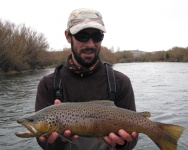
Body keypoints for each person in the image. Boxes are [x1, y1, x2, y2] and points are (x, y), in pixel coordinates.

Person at [35, 8, 138, 150]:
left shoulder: (120, 82)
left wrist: (122, 143)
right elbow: (43, 142)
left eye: (97, 36)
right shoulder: (48, 84)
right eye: (82, 35)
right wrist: (60, 140)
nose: (90, 44)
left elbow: (133, 138)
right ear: (68, 36)